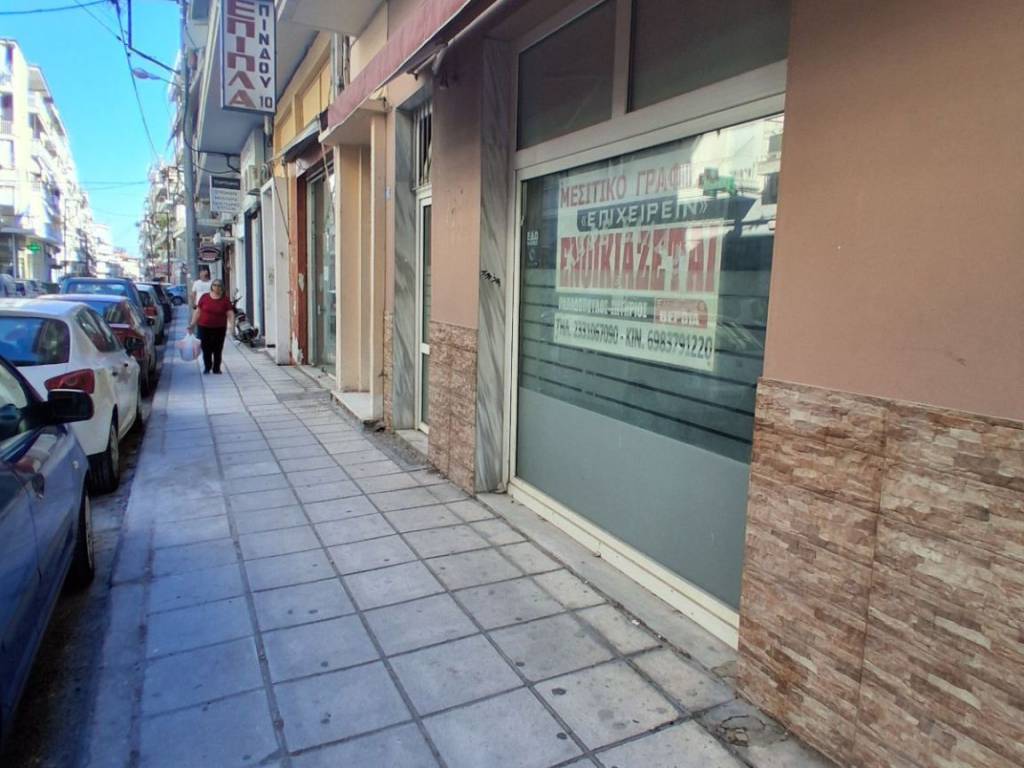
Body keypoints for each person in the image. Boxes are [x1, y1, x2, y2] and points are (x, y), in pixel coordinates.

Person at [188, 279, 234, 374]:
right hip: (204, 327)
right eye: (215, 285)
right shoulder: (204, 297)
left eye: (219, 285)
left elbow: (230, 314)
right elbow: (198, 312)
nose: (216, 287)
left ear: (222, 288)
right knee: (206, 348)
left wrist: (231, 326)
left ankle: (216, 368)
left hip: (219, 328)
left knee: (218, 348)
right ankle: (207, 367)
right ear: (211, 287)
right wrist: (192, 324)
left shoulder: (225, 300)